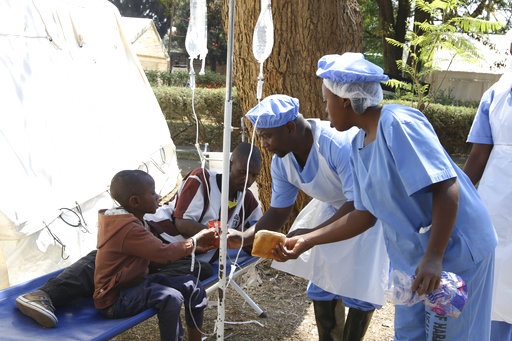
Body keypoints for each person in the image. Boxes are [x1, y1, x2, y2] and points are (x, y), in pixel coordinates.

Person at [275, 52, 498, 340]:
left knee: (448, 335)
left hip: (453, 252)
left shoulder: (398, 123)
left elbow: (446, 186)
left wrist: (434, 255)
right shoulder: (357, 145)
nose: (326, 109)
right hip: (411, 262)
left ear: (345, 99)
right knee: (409, 334)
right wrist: (306, 240)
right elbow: (363, 215)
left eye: (327, 99)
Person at [15, 143, 262, 329]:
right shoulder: (202, 179)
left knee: (202, 272)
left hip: (181, 255)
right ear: (229, 164)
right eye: (243, 172)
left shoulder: (247, 199)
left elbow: (258, 227)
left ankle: (130, 286)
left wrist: (242, 237)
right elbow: (182, 223)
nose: (247, 180)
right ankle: (43, 294)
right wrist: (215, 237)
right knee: (101, 260)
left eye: (253, 176)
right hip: (159, 237)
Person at [232, 94, 389, 341]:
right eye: (260, 136)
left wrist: (309, 236)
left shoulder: (335, 144)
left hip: (365, 214)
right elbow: (278, 212)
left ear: (290, 127)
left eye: (267, 136)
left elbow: (357, 205)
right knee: (323, 286)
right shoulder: (281, 162)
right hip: (330, 211)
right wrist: (243, 237)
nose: (263, 144)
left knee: (361, 290)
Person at [92, 170, 216, 341]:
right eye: (152, 193)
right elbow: (162, 254)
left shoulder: (135, 220)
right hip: (115, 299)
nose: (158, 196)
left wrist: (192, 247)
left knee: (193, 285)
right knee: (171, 298)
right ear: (135, 201)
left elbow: (157, 249)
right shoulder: (127, 228)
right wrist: (194, 242)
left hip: (134, 284)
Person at [463, 42, 512, 341]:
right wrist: (457, 203)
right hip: (497, 202)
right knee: (497, 281)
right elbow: (478, 158)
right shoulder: (495, 94)